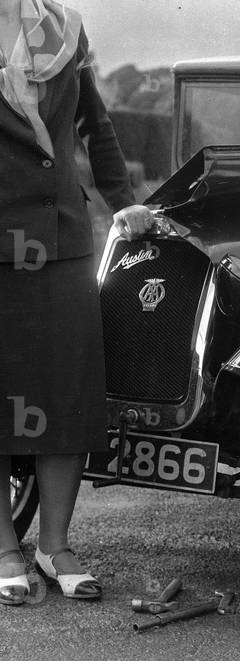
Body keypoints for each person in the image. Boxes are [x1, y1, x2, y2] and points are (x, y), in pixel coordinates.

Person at [0, 0, 153, 606]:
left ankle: (54, 544)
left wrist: (123, 201)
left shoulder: (64, 27)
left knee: (67, 390)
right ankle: (6, 548)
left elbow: (96, 124)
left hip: (60, 239)